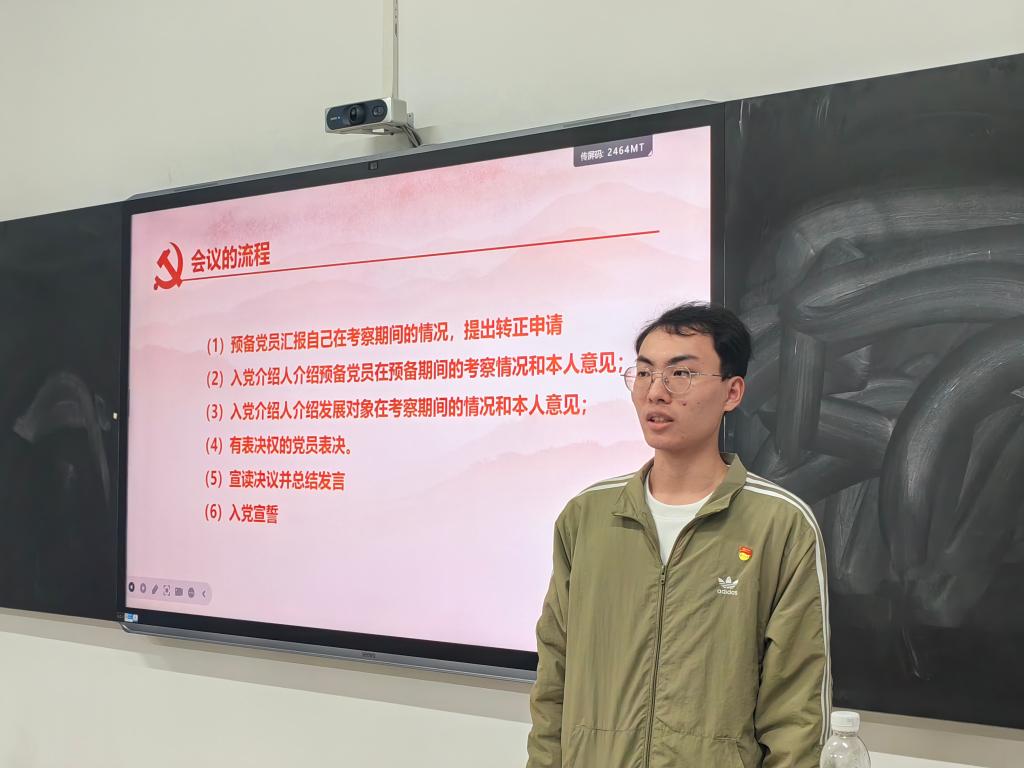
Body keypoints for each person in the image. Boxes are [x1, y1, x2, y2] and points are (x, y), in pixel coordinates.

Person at [526, 302, 830, 768]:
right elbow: (553, 681)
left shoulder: (780, 524)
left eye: (681, 374)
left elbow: (797, 710)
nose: (656, 392)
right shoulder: (588, 517)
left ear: (732, 392)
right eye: (645, 373)